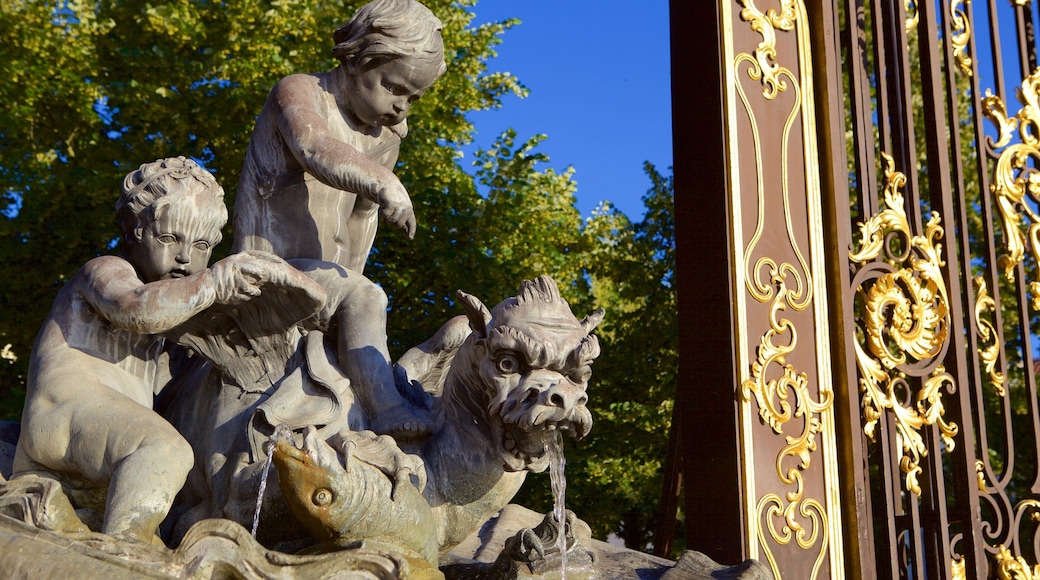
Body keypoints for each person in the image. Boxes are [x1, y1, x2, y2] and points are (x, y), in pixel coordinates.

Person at [12, 157, 271, 544]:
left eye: (200, 246)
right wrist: (214, 284)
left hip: (98, 441)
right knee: (165, 450)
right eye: (169, 239)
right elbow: (137, 308)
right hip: (63, 411)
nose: (186, 258)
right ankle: (124, 552)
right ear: (134, 231)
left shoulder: (166, 333)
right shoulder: (105, 270)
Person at [232, 0, 446, 439]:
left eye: (413, 98)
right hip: (266, 272)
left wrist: (353, 287)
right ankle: (384, 407)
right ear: (354, 59)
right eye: (392, 87)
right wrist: (386, 184)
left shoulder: (384, 138)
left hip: (327, 285)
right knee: (365, 297)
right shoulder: (299, 92)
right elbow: (313, 147)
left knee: (364, 295)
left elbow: (359, 223)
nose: (401, 106)